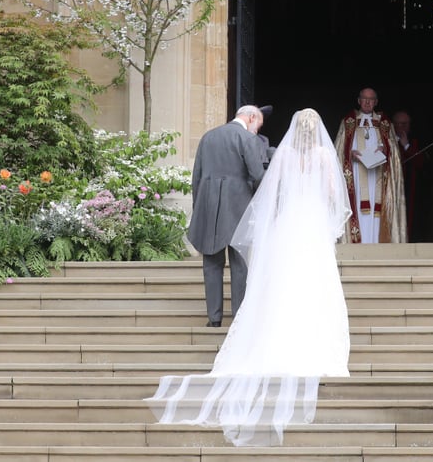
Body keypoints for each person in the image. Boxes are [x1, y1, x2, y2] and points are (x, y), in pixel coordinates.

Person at [147, 108, 352, 446]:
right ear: (317, 132)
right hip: (311, 222)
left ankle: (224, 318)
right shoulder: (320, 155)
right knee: (312, 280)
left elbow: (268, 186)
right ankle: (309, 328)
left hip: (287, 221)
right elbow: (332, 192)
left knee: (277, 277)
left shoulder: (279, 152)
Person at [187, 105, 266, 328]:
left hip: (208, 206)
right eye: (258, 125)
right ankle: (238, 318)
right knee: (240, 264)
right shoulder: (247, 139)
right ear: (251, 117)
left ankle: (214, 318)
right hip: (239, 208)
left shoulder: (207, 137)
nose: (257, 130)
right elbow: (258, 175)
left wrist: (198, 207)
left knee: (211, 263)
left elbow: (197, 177)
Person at [334, 87, 407, 244]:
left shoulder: (385, 124)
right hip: (354, 174)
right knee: (358, 207)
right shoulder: (348, 122)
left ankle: (376, 243)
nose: (367, 102)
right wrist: (349, 154)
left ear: (376, 102)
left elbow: (394, 151)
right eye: (364, 99)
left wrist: (385, 149)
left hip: (377, 176)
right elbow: (339, 150)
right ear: (359, 100)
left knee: (376, 209)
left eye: (371, 99)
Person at [392, 110, 426, 239]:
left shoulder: (415, 141)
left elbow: (421, 163)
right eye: (398, 124)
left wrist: (406, 145)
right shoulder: (387, 140)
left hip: (412, 188)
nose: (401, 128)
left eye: (404, 124)